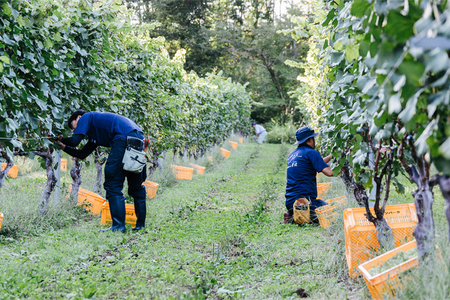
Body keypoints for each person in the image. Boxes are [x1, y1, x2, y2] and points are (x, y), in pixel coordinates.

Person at [57, 110, 147, 233]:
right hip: (137, 138)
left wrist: (60, 139)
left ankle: (118, 227)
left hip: (123, 138)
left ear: (78, 117)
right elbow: (83, 153)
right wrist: (63, 147)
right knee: (136, 186)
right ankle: (140, 226)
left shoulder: (86, 117)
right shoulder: (96, 133)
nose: (74, 131)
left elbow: (75, 141)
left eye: (73, 126)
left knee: (112, 182)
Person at [284, 126, 333, 224]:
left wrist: (332, 156)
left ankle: (293, 212)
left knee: (315, 209)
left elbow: (318, 163)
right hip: (305, 201)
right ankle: (296, 218)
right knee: (330, 212)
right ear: (310, 140)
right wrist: (345, 169)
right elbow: (329, 172)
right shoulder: (311, 152)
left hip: (290, 202)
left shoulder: (293, 154)